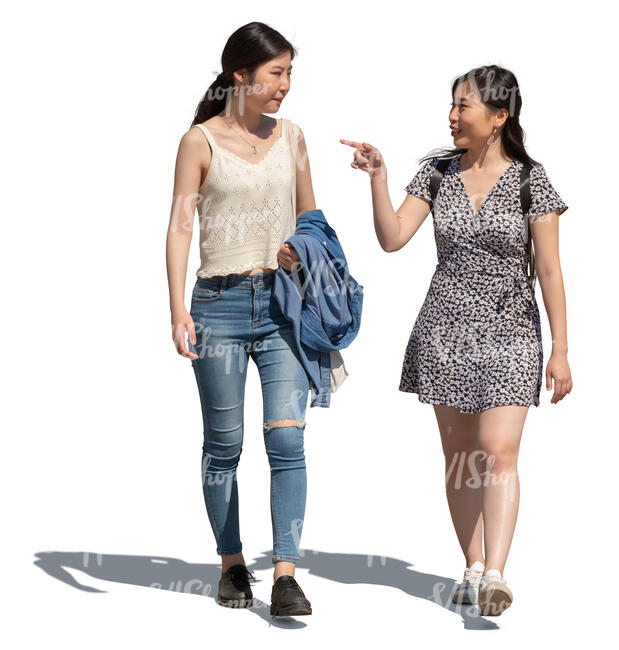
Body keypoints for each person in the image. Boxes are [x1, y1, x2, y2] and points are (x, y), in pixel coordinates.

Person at [341, 65, 572, 616]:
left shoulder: (530, 179)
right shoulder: (436, 174)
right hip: (445, 327)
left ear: (498, 117)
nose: (451, 116)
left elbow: (551, 270)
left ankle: (496, 573)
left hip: (511, 327)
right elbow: (393, 238)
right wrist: (378, 176)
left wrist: (561, 348)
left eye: (463, 106)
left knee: (499, 451)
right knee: (462, 457)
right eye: (451, 105)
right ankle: (470, 566)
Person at [165, 21, 316, 617]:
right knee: (224, 446)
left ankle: (284, 574)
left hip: (283, 307)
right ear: (240, 76)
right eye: (276, 74)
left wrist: (299, 249)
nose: (285, 86)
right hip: (217, 308)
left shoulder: (295, 138)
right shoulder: (197, 141)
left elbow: (313, 220)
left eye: (288, 74)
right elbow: (180, 224)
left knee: (287, 439)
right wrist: (176, 305)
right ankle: (231, 563)